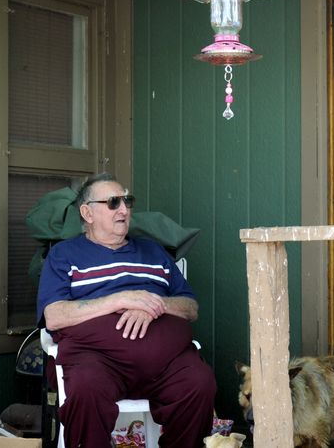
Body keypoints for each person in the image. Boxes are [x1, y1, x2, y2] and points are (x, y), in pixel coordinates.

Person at [37, 172, 216, 447]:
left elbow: (190, 306)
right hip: (97, 360)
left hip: (168, 363)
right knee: (86, 389)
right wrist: (121, 300)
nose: (124, 209)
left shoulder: (154, 253)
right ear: (87, 213)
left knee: (200, 383)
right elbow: (55, 315)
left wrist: (153, 305)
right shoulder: (64, 255)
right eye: (112, 202)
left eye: (127, 200)